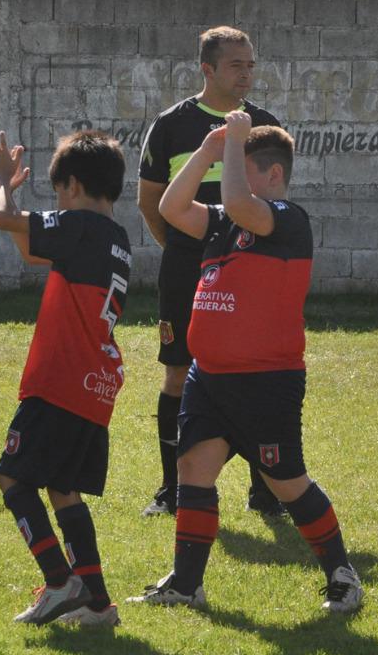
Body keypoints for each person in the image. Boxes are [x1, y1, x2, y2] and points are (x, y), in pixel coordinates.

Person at [133, 115, 363, 614]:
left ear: (273, 176)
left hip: (265, 380)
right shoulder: (224, 222)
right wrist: (208, 151)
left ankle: (342, 574)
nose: (228, 180)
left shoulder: (287, 218)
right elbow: (171, 207)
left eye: (241, 168)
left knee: (286, 481)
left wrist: (233, 144)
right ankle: (187, 583)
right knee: (193, 468)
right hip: (209, 376)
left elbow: (239, 201)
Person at [137, 26, 283, 517]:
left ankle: (266, 489)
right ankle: (171, 489)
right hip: (186, 272)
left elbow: (274, 204)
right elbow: (151, 202)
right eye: (236, 64)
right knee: (179, 372)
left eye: (251, 64)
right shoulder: (172, 125)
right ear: (208, 69)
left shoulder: (264, 127)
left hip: (248, 275)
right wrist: (185, 250)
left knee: (254, 374)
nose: (247, 73)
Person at [0, 129, 132, 627]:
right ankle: (96, 603)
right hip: (96, 382)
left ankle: (59, 580)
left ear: (71, 186)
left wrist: (4, 181)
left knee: (12, 475)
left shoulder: (79, 225)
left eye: (57, 193)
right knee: (63, 487)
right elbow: (31, 252)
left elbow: (1, 218)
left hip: (62, 380)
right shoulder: (116, 237)